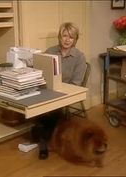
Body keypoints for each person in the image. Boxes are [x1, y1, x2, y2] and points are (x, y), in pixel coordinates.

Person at [30, 22, 87, 159]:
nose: (67, 40)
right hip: (48, 88)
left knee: (53, 110)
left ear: (75, 39)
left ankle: (43, 140)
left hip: (66, 92)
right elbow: (40, 71)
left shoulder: (80, 57)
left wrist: (59, 91)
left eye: (71, 37)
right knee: (34, 100)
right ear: (59, 37)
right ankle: (42, 129)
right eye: (64, 36)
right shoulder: (50, 51)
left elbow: (76, 83)